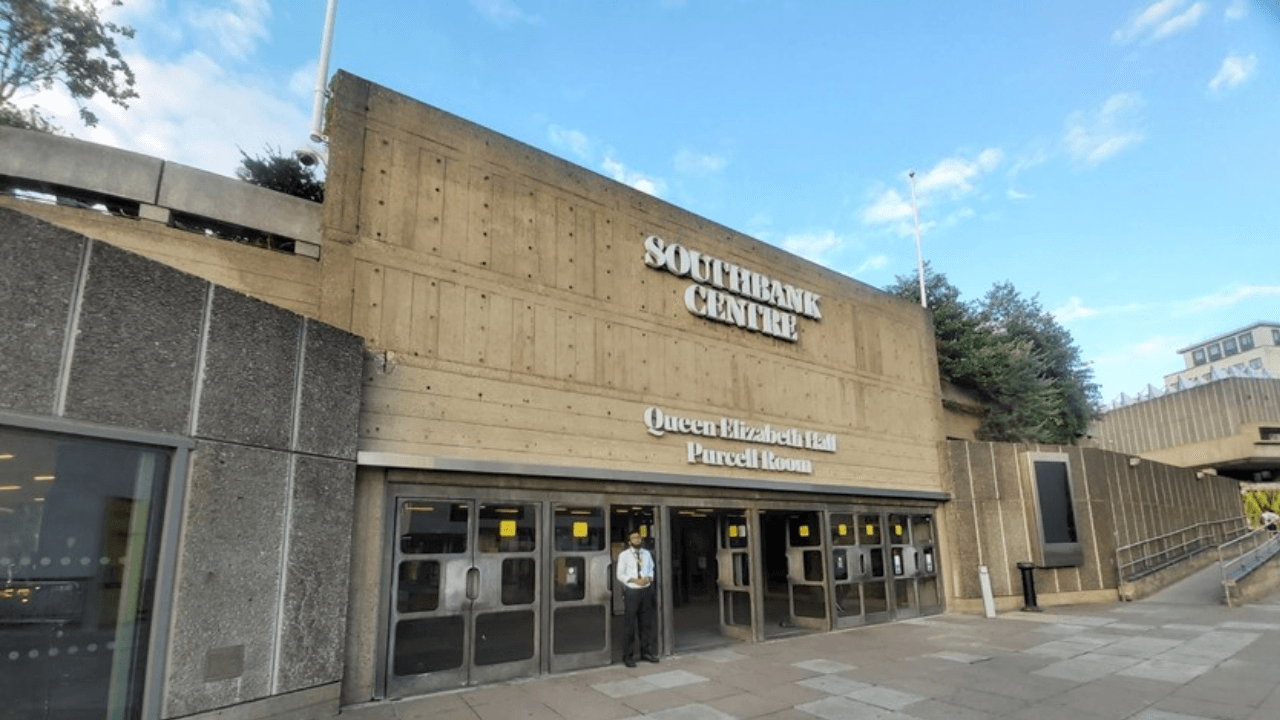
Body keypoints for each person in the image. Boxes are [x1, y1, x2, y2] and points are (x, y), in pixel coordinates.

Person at [616, 530, 659, 667]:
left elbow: (651, 569)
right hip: (632, 592)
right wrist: (635, 580)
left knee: (646, 623)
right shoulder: (624, 555)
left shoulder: (647, 554)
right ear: (629, 542)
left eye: (638, 537)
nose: (637, 539)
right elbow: (620, 574)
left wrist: (648, 579)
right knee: (630, 625)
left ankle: (646, 652)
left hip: (646, 590)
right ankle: (628, 656)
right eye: (634, 538)